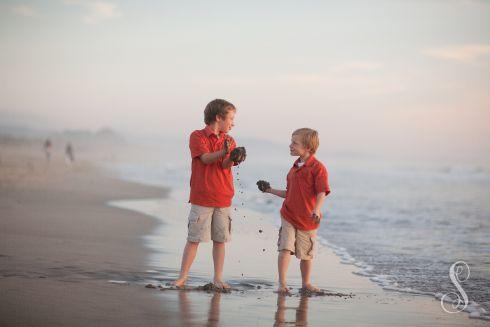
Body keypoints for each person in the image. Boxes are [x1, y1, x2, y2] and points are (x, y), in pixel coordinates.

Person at [172, 99, 246, 289]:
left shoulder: (229, 139)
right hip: (202, 197)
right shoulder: (197, 136)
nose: (232, 123)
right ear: (218, 117)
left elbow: (224, 165)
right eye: (230, 118)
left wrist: (234, 157)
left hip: (223, 197)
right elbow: (205, 159)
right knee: (194, 239)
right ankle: (183, 277)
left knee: (220, 241)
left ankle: (218, 278)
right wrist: (223, 151)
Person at [257, 128, 330, 294]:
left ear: (308, 148)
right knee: (285, 248)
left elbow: (322, 192)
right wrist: (269, 190)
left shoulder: (318, 168)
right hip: (289, 215)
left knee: (306, 254)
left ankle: (306, 283)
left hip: (308, 219)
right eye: (291, 142)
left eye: (294, 143)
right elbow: (289, 193)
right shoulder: (294, 168)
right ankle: (282, 284)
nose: (290, 146)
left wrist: (317, 210)